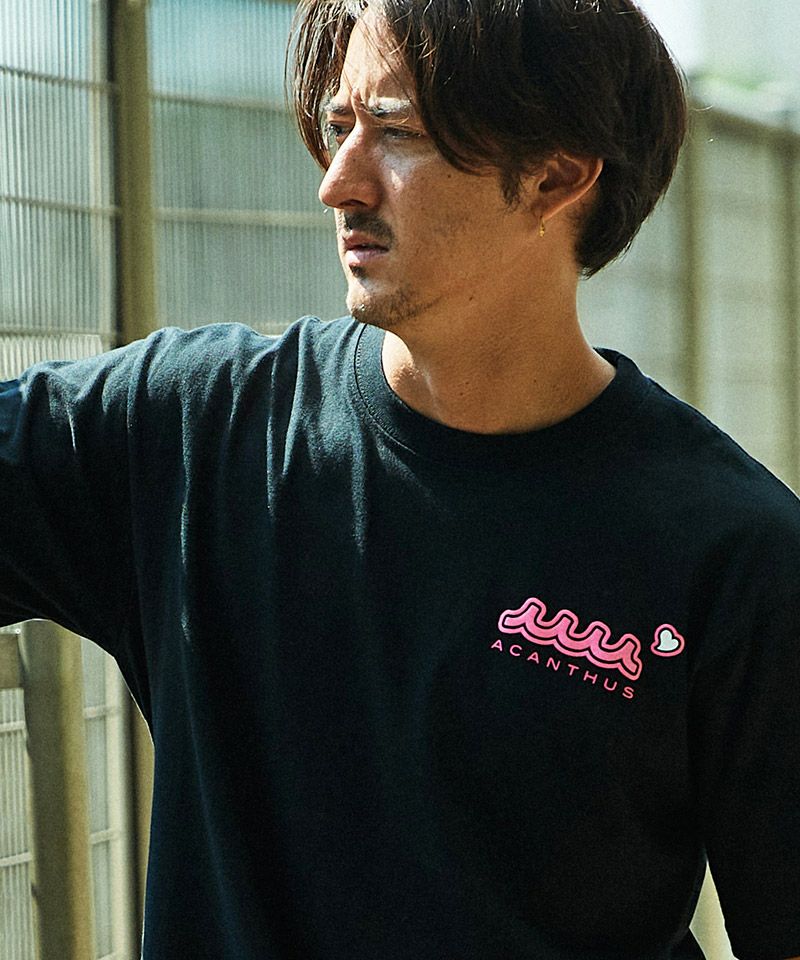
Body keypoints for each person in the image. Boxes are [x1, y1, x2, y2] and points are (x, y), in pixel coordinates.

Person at [1, 0, 799, 957]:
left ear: (555, 177)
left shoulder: (735, 552)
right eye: (339, 124)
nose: (338, 182)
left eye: (398, 131)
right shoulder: (192, 430)